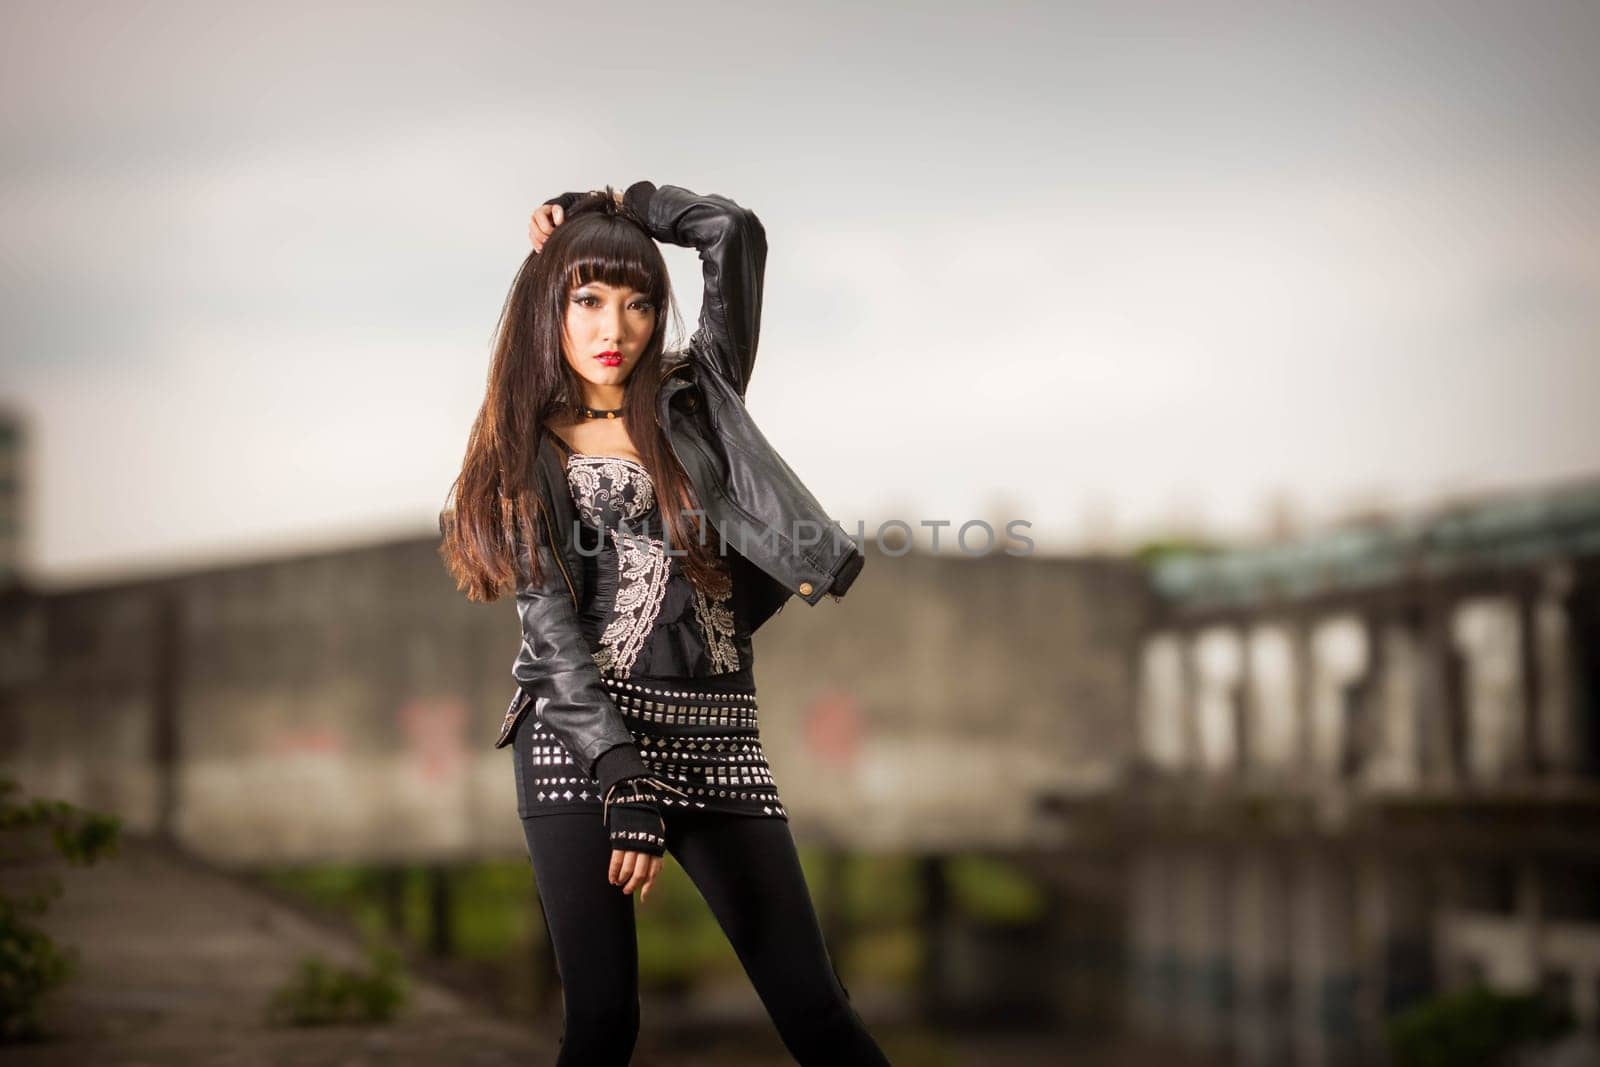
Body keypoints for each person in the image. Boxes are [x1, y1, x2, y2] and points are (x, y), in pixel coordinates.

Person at [438, 181, 890, 1065]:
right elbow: (553, 630)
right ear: (552, 309)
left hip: (720, 735)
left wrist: (620, 203)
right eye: (591, 300)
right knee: (606, 1026)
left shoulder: (700, 393)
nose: (617, 327)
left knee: (819, 1015)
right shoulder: (522, 445)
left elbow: (733, 231)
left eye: (639, 302)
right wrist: (620, 774)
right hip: (585, 745)